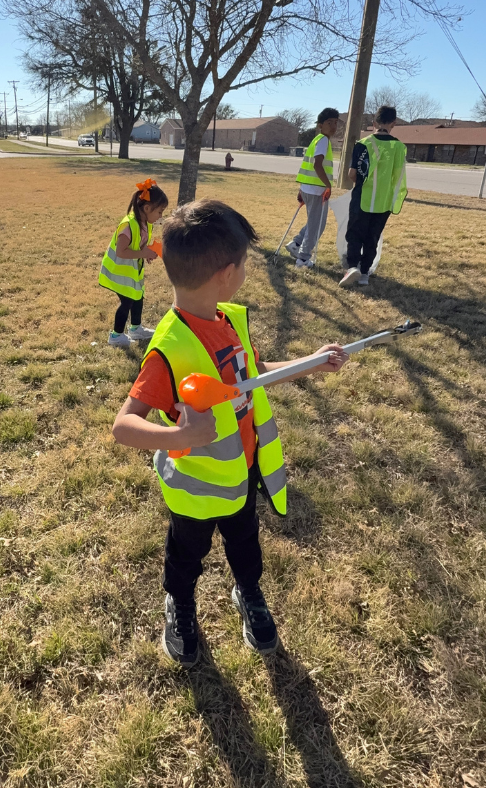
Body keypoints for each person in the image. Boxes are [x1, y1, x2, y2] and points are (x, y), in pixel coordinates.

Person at [112, 200, 349, 667]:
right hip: (196, 488)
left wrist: (310, 364)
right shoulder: (168, 348)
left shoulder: (232, 321)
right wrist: (181, 437)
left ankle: (249, 592)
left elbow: (255, 374)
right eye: (244, 264)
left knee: (245, 543)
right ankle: (179, 605)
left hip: (242, 472)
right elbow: (124, 426)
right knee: (187, 553)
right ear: (225, 272)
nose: (245, 272)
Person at [340, 105, 408, 287]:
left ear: (374, 122)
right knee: (373, 237)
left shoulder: (363, 144)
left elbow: (352, 174)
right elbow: (397, 176)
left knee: (355, 233)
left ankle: (352, 266)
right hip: (384, 201)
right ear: (394, 123)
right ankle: (364, 274)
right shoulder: (399, 147)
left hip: (363, 197)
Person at [99, 179, 169, 347]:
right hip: (119, 271)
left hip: (131, 270)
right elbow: (121, 251)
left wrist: (146, 252)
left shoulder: (145, 223)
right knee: (127, 301)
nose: (160, 216)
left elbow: (139, 244)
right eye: (159, 212)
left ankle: (136, 328)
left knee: (138, 296)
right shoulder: (128, 225)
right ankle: (116, 336)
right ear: (146, 208)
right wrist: (142, 252)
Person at [286, 108, 340, 268]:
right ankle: (302, 259)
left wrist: (302, 189)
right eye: (329, 123)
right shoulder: (323, 140)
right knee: (317, 226)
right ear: (320, 125)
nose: (333, 126)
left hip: (308, 189)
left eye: (336, 123)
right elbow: (317, 165)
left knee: (313, 222)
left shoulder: (317, 140)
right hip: (317, 190)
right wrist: (328, 185)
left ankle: (296, 243)